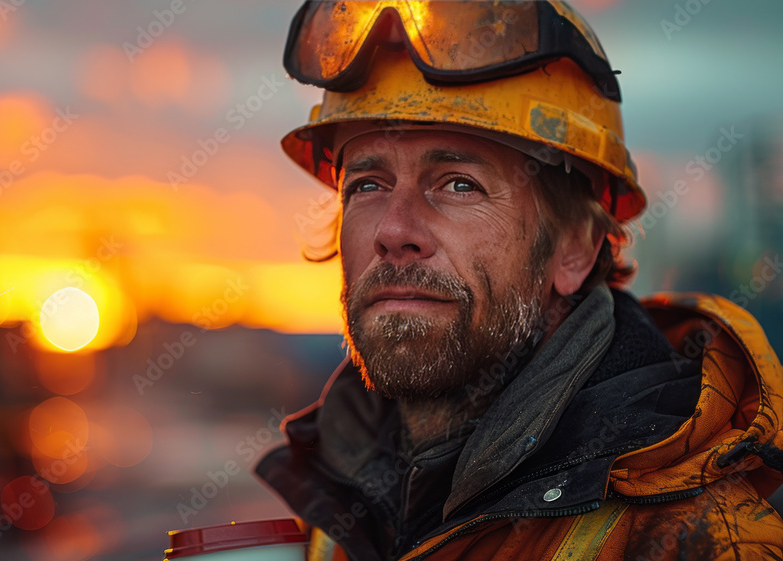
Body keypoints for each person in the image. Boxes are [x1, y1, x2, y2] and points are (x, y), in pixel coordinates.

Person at [254, 2, 783, 560]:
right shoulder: (339, 516)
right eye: (366, 185)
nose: (393, 230)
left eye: (459, 185)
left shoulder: (702, 544)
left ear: (576, 246)